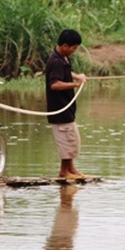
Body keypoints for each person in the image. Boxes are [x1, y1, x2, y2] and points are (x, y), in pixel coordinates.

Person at [45, 28, 88, 180]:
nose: (74, 51)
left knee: (72, 140)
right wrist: (75, 85)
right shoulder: (56, 61)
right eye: (73, 48)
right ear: (64, 46)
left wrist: (77, 76)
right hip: (59, 108)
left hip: (66, 108)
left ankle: (71, 169)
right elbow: (54, 84)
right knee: (67, 140)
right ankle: (64, 172)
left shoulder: (63, 58)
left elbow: (65, 73)